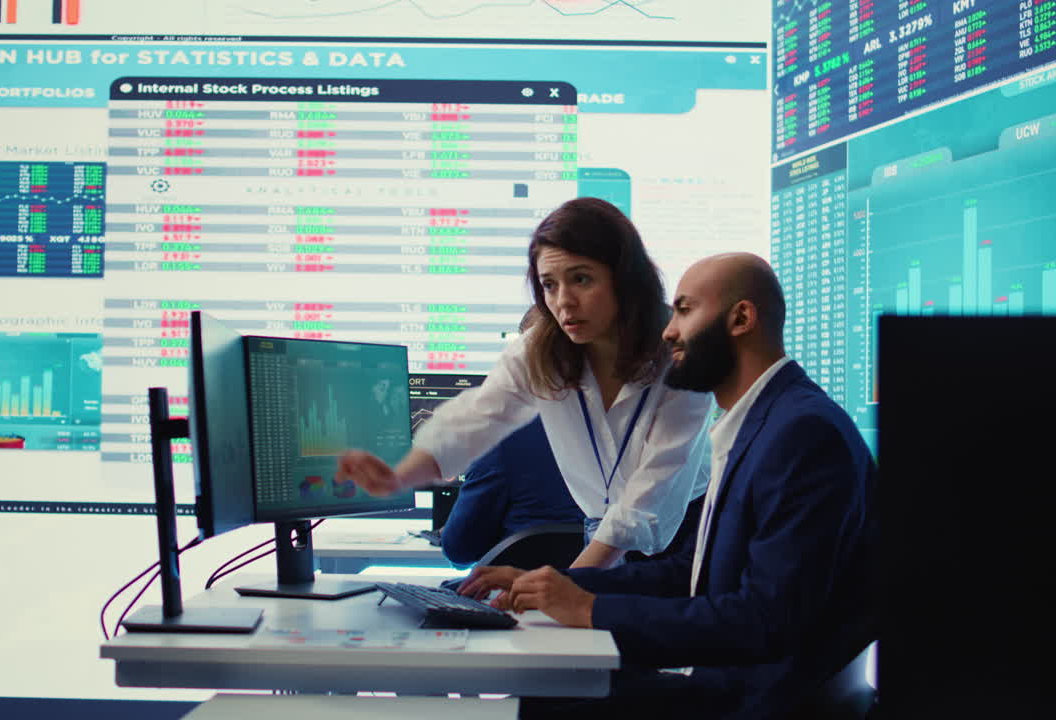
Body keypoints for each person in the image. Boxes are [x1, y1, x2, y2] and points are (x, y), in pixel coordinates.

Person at [460, 253, 877, 719]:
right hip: (735, 686)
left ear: (741, 318)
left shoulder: (801, 435)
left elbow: (763, 620)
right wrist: (556, 586)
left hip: (759, 703)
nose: (667, 332)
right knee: (542, 696)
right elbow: (692, 574)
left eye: (684, 310)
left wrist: (590, 609)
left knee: (538, 709)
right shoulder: (764, 422)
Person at [338, 197, 714, 568]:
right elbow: (473, 420)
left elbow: (647, 496)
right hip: (600, 534)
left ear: (625, 278)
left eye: (581, 279)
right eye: (549, 285)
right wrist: (398, 477)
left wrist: (570, 584)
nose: (564, 302)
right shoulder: (542, 348)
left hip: (680, 542)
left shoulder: (681, 354)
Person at [439, 416, 585, 566]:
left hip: (513, 583)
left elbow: (460, 551)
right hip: (592, 582)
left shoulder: (499, 440)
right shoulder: (600, 431)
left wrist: (447, 534)